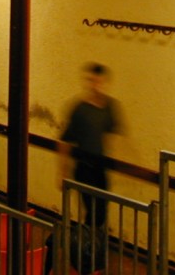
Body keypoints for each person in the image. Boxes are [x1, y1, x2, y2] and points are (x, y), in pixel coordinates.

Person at [57, 62, 122, 228]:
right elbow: (65, 140)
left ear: (105, 83)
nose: (94, 86)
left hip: (101, 167)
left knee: (101, 211)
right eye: (91, 81)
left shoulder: (110, 107)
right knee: (93, 211)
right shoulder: (79, 109)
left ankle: (89, 238)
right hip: (84, 167)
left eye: (98, 82)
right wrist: (62, 171)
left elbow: (114, 135)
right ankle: (87, 239)